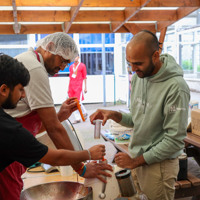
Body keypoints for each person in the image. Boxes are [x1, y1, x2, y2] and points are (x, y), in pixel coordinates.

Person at [1, 33, 112, 200]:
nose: (64, 67)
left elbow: (39, 124)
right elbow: (53, 136)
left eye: (68, 63)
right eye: (63, 61)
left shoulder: (29, 61)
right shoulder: (35, 69)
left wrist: (58, 116)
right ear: (50, 47)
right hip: (9, 160)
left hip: (15, 155)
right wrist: (82, 166)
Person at [90, 30, 190, 200]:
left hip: (159, 167)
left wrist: (134, 162)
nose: (133, 69)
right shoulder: (139, 77)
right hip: (137, 159)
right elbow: (137, 120)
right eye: (129, 63)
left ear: (155, 56)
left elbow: (174, 140)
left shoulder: (176, 87)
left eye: (137, 63)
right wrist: (113, 114)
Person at [0, 54, 105, 177]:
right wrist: (88, 154)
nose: (23, 96)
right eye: (21, 90)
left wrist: (59, 117)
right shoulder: (7, 128)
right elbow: (55, 157)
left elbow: (27, 136)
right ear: (4, 90)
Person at [68, 55, 88, 123]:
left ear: (78, 57)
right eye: (73, 57)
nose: (74, 58)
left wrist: (85, 87)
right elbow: (70, 77)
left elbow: (85, 77)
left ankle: (84, 112)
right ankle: (77, 118)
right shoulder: (71, 67)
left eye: (76, 57)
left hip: (78, 86)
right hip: (71, 86)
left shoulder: (82, 66)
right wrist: (68, 88)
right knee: (73, 102)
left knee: (77, 101)